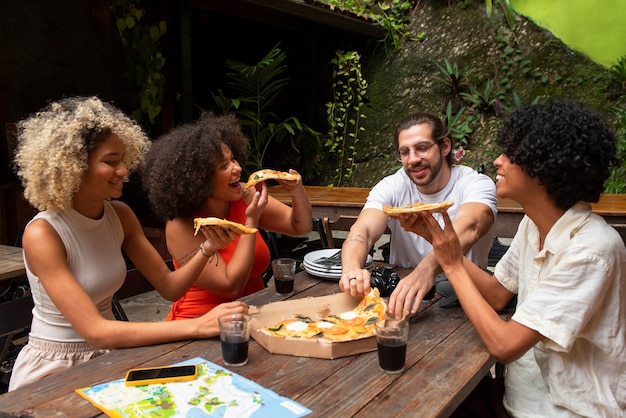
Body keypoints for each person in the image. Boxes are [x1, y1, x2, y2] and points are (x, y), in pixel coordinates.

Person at [401, 102, 626, 417]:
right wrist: (437, 239)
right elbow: (495, 294)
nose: (497, 161)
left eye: (510, 155)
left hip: (569, 410)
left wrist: (451, 263)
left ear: (543, 169)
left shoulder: (591, 249)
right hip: (520, 398)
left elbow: (504, 345)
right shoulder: (534, 225)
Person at [8, 97, 248, 391]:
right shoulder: (44, 233)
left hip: (108, 356)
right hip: (55, 368)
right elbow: (96, 331)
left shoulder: (120, 215)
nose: (123, 170)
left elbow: (170, 287)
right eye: (111, 162)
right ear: (73, 166)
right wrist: (198, 325)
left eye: (123, 160)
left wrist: (206, 249)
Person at [141, 112, 312, 319]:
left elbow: (299, 226)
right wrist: (251, 221)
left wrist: (297, 192)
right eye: (224, 166)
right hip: (201, 326)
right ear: (199, 180)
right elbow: (230, 286)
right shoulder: (182, 224)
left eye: (233, 159)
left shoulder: (243, 194)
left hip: (255, 313)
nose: (238, 168)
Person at [339, 112, 497, 317]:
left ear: (445, 146)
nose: (413, 159)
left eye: (422, 148)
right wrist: (352, 271)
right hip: (402, 297)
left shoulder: (475, 184)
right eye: (405, 152)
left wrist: (425, 271)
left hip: (465, 299)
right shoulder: (393, 185)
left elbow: (468, 229)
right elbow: (363, 231)